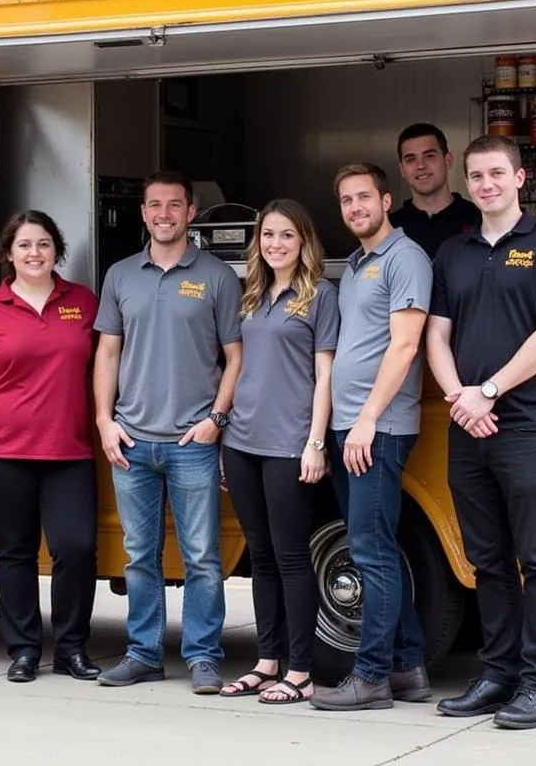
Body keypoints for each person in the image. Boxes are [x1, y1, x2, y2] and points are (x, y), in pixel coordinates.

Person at [426, 133, 536, 730]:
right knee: (486, 559)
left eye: (497, 173)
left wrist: (488, 391)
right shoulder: (454, 254)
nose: (486, 184)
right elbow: (436, 338)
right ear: (466, 183)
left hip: (527, 423)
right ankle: (498, 674)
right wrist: (460, 399)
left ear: (520, 179)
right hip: (468, 427)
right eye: (477, 175)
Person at [93, 170, 243, 694]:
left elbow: (235, 357)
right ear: (143, 212)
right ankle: (143, 654)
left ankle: (204, 656)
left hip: (191, 443)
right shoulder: (120, 276)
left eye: (174, 205)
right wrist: (104, 421)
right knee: (140, 556)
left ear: (191, 212)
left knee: (202, 556)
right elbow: (107, 351)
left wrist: (216, 420)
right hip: (132, 441)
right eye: (154, 205)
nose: (164, 214)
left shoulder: (218, 277)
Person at [0, 210, 100, 684]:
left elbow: (106, 366)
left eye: (43, 244)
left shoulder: (83, 302)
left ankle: (71, 649)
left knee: (75, 547)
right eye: (24, 245)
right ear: (9, 254)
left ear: (57, 250)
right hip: (4, 451)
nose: (34, 253)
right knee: (14, 553)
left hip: (70, 451)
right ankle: (22, 650)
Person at [310, 163, 433, 713]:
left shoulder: (405, 258)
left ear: (387, 200)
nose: (355, 207)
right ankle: (408, 669)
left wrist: (366, 419)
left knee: (371, 552)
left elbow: (405, 347)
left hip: (375, 430)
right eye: (346, 200)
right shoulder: (359, 263)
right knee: (377, 548)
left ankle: (371, 678)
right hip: (349, 429)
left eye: (365, 197)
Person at [219, 199, 338, 705]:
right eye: (268, 235)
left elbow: (325, 375)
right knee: (260, 555)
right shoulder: (251, 295)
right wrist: (224, 436)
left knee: (292, 556)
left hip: (290, 443)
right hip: (243, 441)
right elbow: (238, 365)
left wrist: (316, 442)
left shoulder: (320, 296)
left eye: (287, 235)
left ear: (304, 240)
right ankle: (268, 662)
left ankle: (303, 670)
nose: (275, 244)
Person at [389, 123, 480, 257]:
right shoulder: (390, 228)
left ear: (448, 160)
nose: (420, 166)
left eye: (429, 156)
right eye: (410, 159)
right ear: (402, 169)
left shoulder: (478, 219)